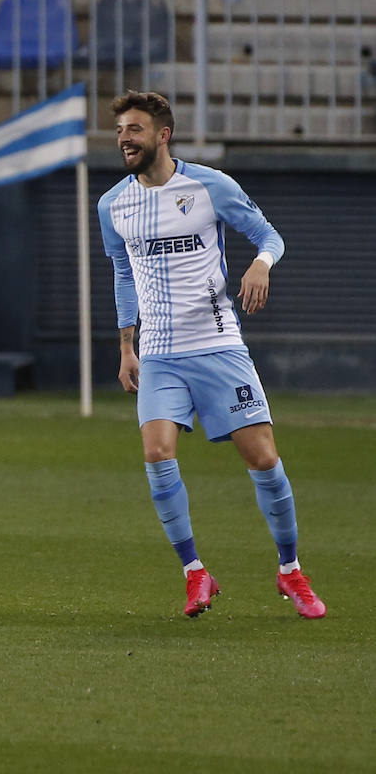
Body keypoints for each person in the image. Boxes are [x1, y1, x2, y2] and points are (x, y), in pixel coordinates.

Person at [98, 90, 325, 619]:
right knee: (156, 452)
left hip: (218, 344)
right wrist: (127, 346)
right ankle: (195, 573)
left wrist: (261, 263)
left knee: (263, 458)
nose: (124, 140)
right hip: (158, 353)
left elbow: (268, 234)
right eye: (119, 132)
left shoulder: (208, 186)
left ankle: (290, 571)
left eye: (134, 130)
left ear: (162, 134)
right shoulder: (113, 204)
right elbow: (122, 274)